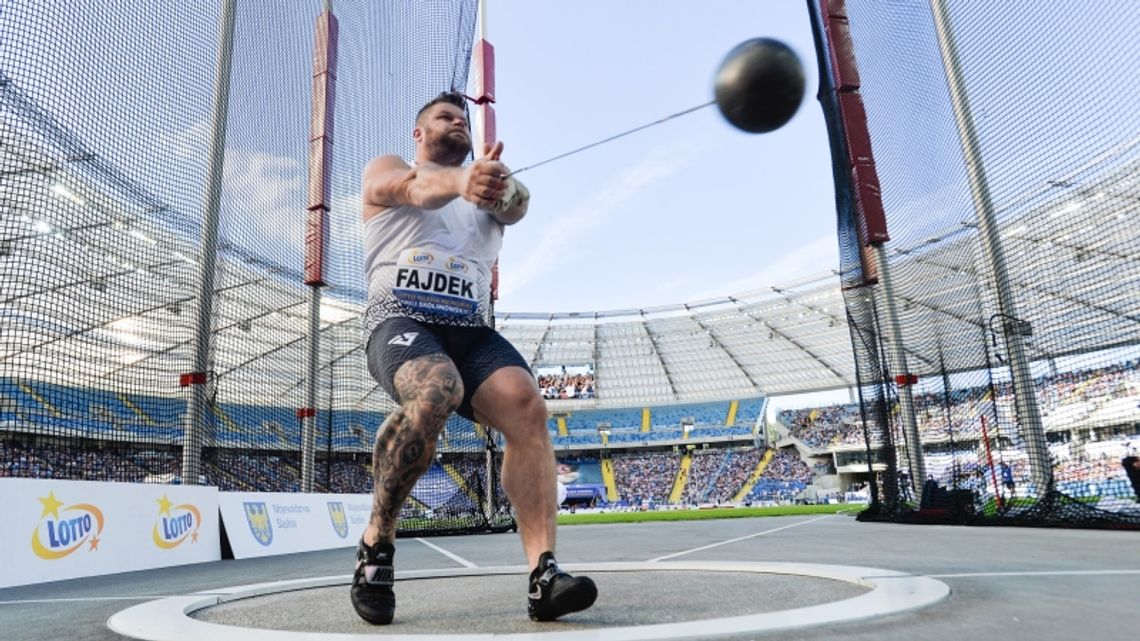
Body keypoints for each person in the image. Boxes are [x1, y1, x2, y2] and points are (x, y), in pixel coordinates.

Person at [353, 91, 596, 625]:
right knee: (438, 388)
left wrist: (500, 187)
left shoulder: (486, 190)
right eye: (445, 117)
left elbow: (519, 205)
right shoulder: (390, 168)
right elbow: (412, 189)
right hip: (401, 319)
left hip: (470, 328)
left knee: (526, 405)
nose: (457, 123)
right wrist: (463, 181)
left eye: (464, 119)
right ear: (419, 134)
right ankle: (377, 542)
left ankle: (544, 574)